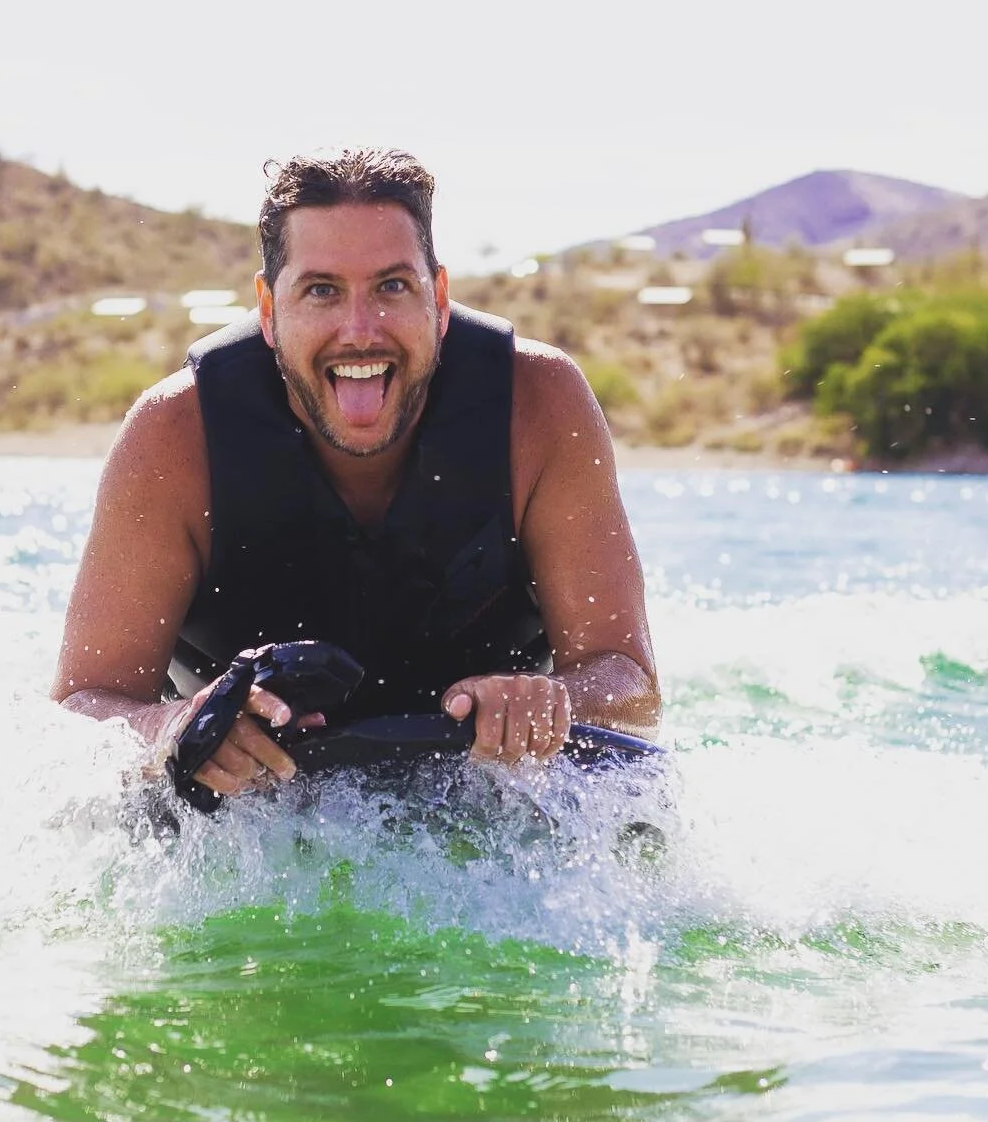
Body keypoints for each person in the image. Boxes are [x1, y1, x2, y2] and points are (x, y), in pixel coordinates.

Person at [51, 148, 660, 802]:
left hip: (485, 799)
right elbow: (79, 709)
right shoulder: (174, 434)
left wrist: (550, 700)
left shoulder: (539, 407)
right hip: (250, 813)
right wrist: (174, 727)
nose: (360, 330)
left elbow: (629, 682)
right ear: (268, 308)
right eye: (321, 291)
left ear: (441, 298)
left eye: (393, 286)